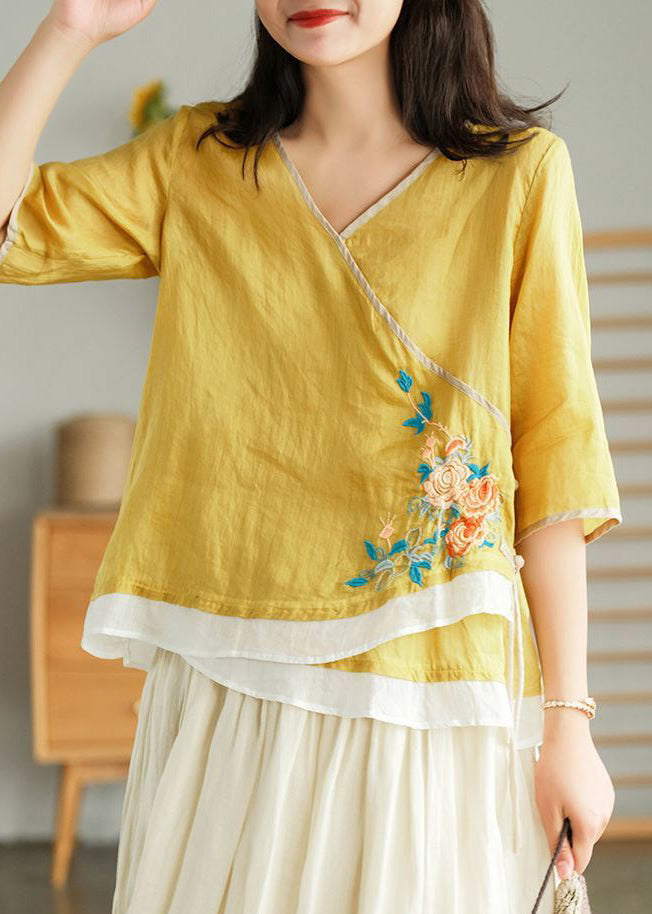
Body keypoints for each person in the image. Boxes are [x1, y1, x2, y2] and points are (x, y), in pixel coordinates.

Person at [0, 2, 622, 912]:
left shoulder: (518, 176)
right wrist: (72, 27)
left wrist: (569, 723)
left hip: (426, 693)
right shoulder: (197, 163)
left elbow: (556, 458)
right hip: (230, 684)